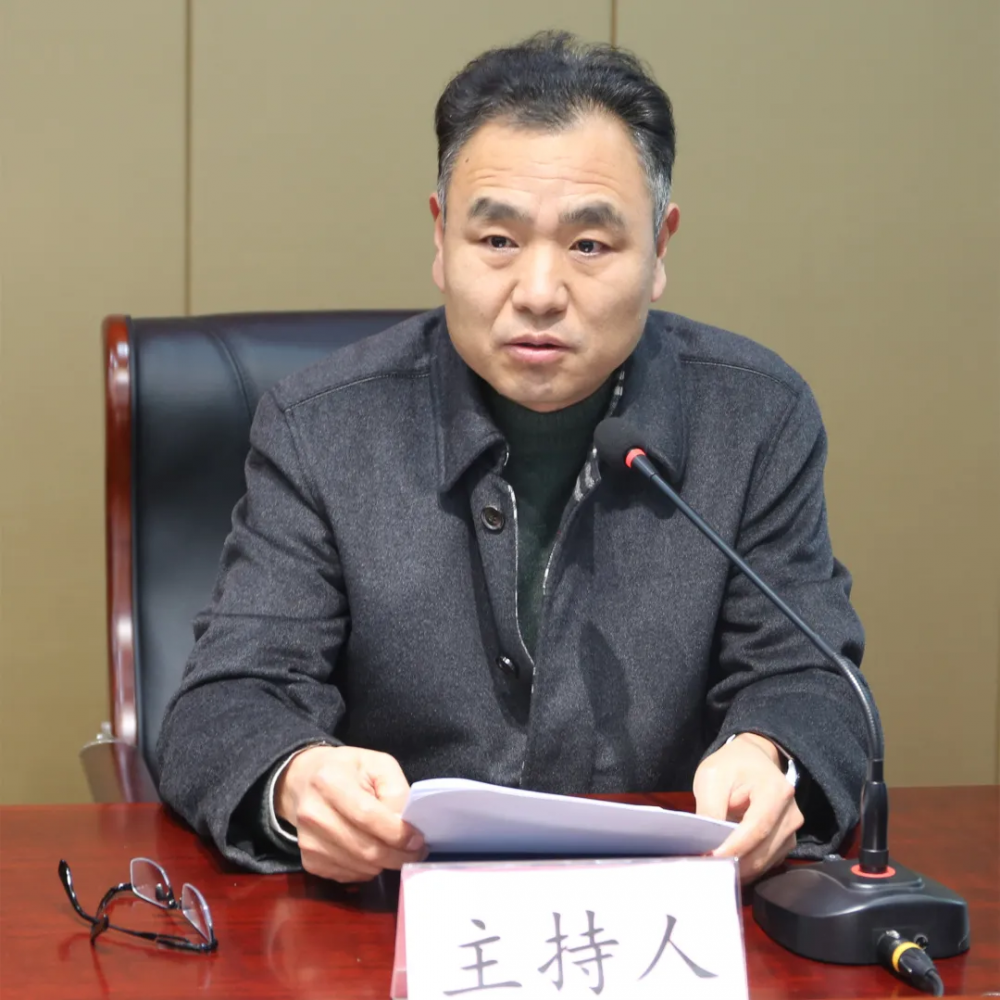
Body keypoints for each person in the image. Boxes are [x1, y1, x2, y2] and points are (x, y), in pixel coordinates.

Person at [157, 32, 871, 886]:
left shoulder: (754, 418)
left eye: (589, 246)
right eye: (497, 240)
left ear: (660, 249)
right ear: (440, 236)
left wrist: (769, 753)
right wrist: (298, 780)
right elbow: (223, 704)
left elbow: (813, 679)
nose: (538, 292)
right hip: (395, 909)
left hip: (657, 906)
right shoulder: (322, 428)